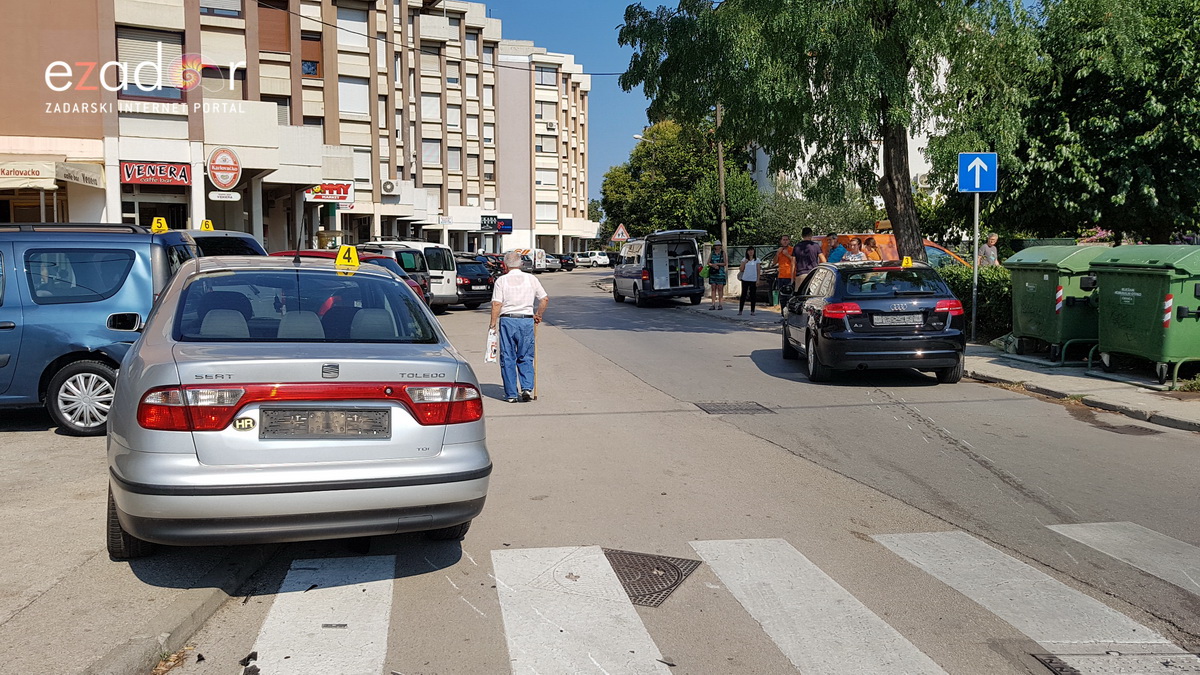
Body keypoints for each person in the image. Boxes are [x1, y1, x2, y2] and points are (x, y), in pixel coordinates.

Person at [489, 251, 549, 403]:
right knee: (526, 355)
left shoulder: (501, 281)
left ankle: (511, 394)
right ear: (521, 263)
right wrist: (538, 315)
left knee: (508, 357)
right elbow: (544, 299)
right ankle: (527, 388)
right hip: (526, 321)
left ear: (505, 265)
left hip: (508, 320)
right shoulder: (531, 279)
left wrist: (492, 324)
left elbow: (497, 303)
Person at [738, 247, 761, 315]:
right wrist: (744, 263)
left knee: (753, 295)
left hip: (753, 280)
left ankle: (752, 311)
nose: (751, 252)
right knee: (743, 295)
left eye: (752, 250)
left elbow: (758, 270)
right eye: (749, 250)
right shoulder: (744, 259)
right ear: (747, 252)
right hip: (745, 279)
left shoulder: (757, 260)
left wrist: (758, 279)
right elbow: (741, 269)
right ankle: (740, 310)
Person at [772, 235, 794, 307]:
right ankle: (783, 313)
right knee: (782, 297)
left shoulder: (792, 249)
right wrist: (777, 253)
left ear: (789, 241)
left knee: (789, 296)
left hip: (789, 275)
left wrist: (787, 255)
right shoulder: (779, 250)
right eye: (783, 240)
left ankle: (789, 312)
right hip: (781, 276)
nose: (785, 241)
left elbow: (795, 261)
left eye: (786, 240)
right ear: (781, 241)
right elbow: (774, 262)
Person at [707, 243, 727, 310]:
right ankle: (713, 304)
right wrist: (713, 265)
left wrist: (717, 264)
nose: (717, 246)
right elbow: (708, 262)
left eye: (718, 245)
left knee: (720, 288)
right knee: (713, 288)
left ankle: (720, 304)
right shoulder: (712, 253)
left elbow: (725, 263)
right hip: (713, 273)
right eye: (716, 245)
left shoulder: (722, 253)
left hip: (720, 273)